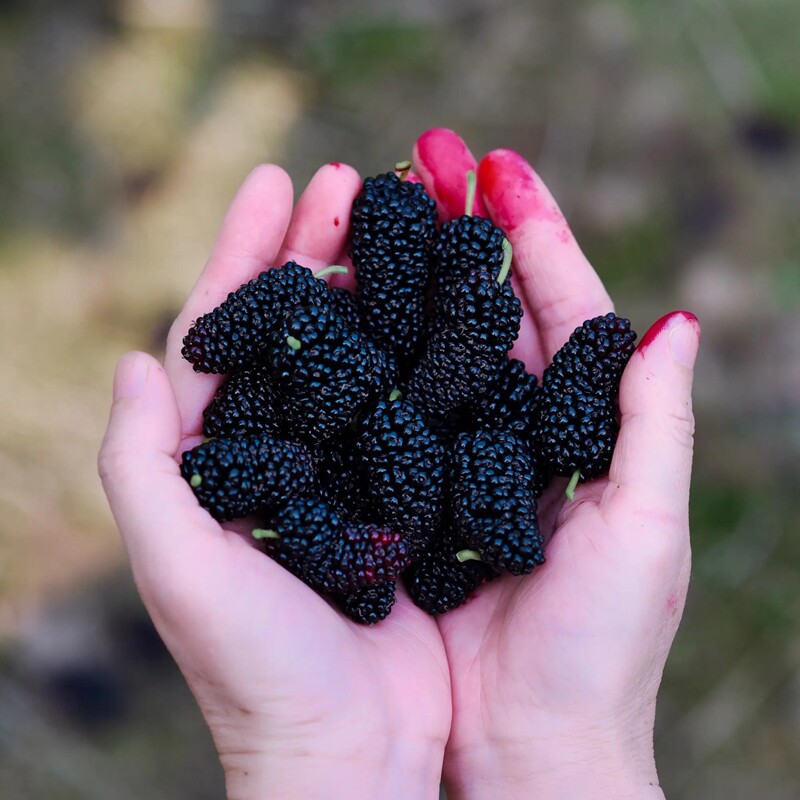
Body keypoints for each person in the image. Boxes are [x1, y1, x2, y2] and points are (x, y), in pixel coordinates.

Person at [98, 128, 700, 799]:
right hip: (362, 442)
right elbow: (372, 441)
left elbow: (424, 424)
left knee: (423, 415)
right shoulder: (347, 427)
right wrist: (561, 754)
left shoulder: (455, 422)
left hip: (400, 442)